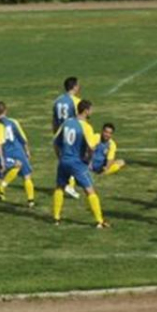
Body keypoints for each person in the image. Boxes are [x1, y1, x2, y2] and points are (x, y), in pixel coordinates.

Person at [52, 100, 110, 229]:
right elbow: (91, 148)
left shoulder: (67, 122)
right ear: (86, 110)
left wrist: (59, 157)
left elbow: (55, 141)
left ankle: (56, 218)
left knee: (59, 187)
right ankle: (99, 221)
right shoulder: (86, 127)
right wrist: (88, 161)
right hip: (77, 163)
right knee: (90, 190)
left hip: (64, 161)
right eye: (91, 110)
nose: (91, 112)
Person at [0, 102, 35, 209]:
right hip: (17, 151)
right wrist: (27, 150)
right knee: (27, 176)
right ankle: (30, 200)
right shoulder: (12, 122)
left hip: (3, 153)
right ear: (5, 110)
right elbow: (22, 138)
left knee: (0, 174)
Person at [52, 77, 83, 199]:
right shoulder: (75, 101)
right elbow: (79, 120)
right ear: (74, 87)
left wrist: (55, 133)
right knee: (74, 159)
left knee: (64, 159)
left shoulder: (57, 100)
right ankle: (69, 185)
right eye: (78, 85)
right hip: (71, 134)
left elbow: (54, 120)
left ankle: (68, 184)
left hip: (60, 133)